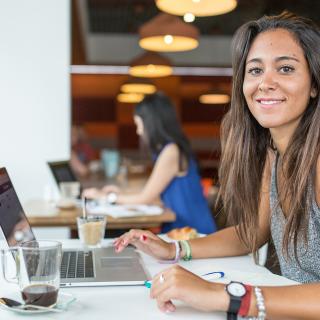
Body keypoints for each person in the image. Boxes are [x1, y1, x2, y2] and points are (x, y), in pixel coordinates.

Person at [113, 12, 320, 319]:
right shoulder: (276, 154)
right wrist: (175, 249)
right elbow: (252, 234)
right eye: (255, 70)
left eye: (285, 68)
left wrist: (227, 296)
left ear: (315, 84)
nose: (266, 83)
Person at [83, 92, 217, 234]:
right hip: (183, 228)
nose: (139, 131)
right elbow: (155, 196)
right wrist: (121, 194)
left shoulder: (171, 151)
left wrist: (106, 197)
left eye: (139, 124)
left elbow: (146, 198)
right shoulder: (173, 149)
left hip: (191, 232)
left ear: (151, 123)